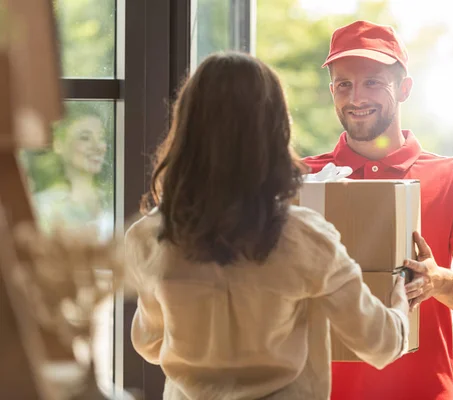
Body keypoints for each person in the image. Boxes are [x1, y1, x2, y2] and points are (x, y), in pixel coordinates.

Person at [124, 51, 412, 400]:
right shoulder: (305, 237)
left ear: (185, 127)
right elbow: (379, 343)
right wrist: (401, 302)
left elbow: (150, 344)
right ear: (276, 129)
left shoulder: (146, 237)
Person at [303, 20, 453, 400]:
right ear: (332, 91)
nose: (356, 96)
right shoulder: (304, 179)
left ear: (405, 88)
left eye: (373, 82)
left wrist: (438, 281)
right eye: (344, 84)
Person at [32, 102, 113, 239]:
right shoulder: (44, 207)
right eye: (85, 138)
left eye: (101, 138)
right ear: (59, 144)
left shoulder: (112, 201)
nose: (98, 146)